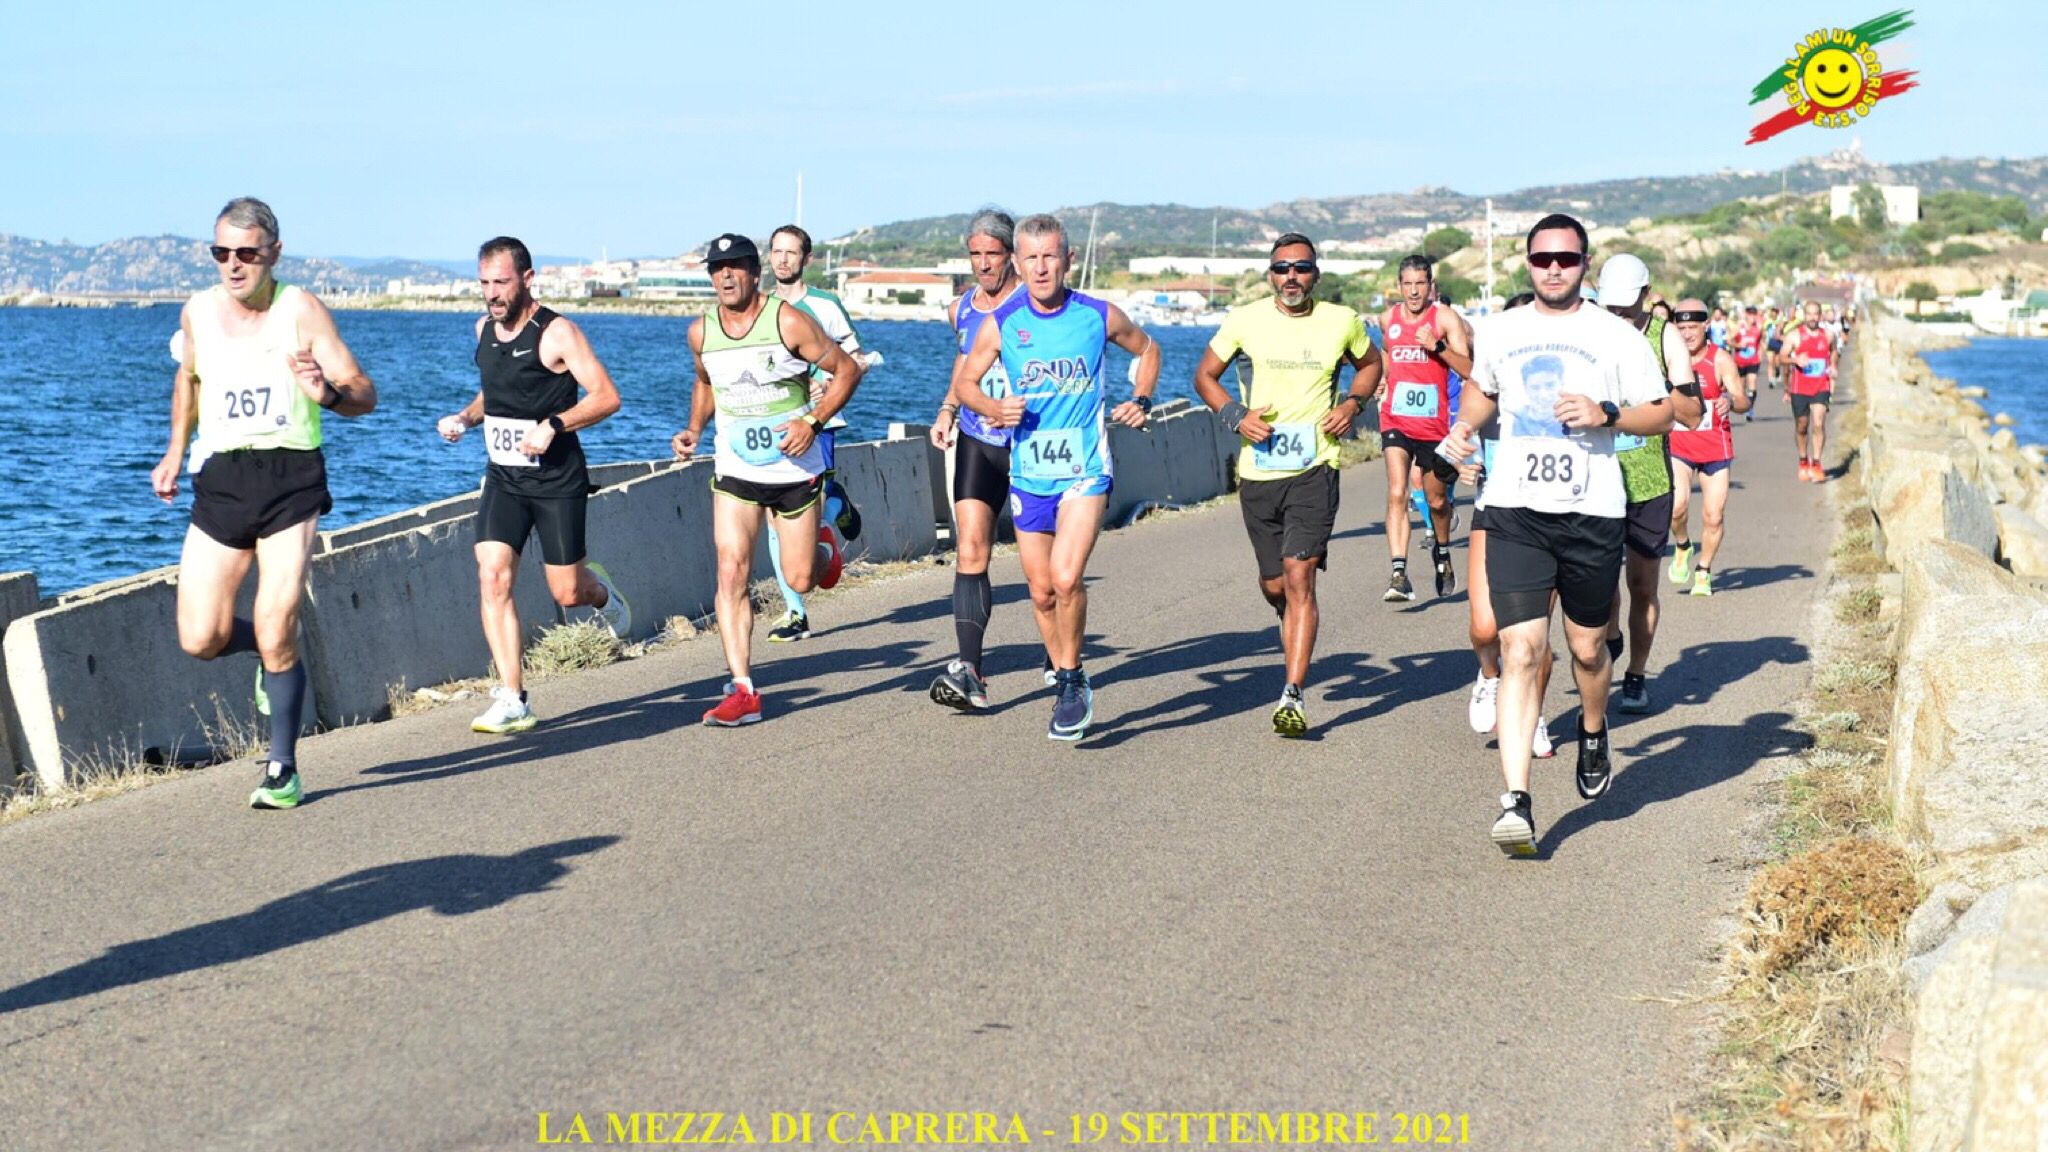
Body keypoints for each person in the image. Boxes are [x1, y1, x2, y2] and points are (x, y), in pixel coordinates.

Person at [1438, 213, 1674, 855]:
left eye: (1565, 259)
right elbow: (1484, 393)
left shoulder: (1614, 336)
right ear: (1527, 262)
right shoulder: (1501, 330)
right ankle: (1516, 802)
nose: (1553, 269)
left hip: (1592, 513)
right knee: (1520, 651)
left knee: (1589, 650)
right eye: (1542, 259)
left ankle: (1594, 728)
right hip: (1516, 510)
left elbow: (1662, 413)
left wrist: (1608, 414)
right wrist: (1465, 427)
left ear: (1584, 264)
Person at [149, 197, 378, 810]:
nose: (232, 264)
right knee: (200, 637)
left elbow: (365, 394)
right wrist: (174, 452)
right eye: (221, 252)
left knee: (280, 623)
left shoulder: (300, 310)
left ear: (273, 252)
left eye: (246, 253)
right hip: (222, 479)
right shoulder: (197, 311)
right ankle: (265, 654)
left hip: (290, 479)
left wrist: (324, 392)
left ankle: (282, 767)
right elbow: (188, 380)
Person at [952, 213, 1158, 741]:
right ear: (1018, 263)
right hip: (1029, 474)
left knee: (1067, 578)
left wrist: (1141, 398)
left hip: (1084, 472)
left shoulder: (1097, 314)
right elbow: (967, 383)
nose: (1042, 268)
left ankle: (1069, 681)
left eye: (1051, 257)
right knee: (1041, 593)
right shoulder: (1003, 322)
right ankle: (1071, 670)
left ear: (1067, 260)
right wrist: (994, 409)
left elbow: (1148, 348)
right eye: (1032, 258)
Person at [437, 236, 629, 735]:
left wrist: (555, 425)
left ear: (527, 279)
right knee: (492, 576)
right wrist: (465, 417)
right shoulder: (482, 329)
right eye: (484, 283)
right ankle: (512, 696)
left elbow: (607, 396)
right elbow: (496, 392)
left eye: (500, 282)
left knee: (567, 593)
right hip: (504, 479)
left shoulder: (558, 333)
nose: (491, 294)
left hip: (557, 480)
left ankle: (600, 593)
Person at [672, 233, 863, 726]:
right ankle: (744, 689)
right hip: (736, 469)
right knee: (731, 569)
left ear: (755, 273)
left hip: (794, 468)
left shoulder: (788, 321)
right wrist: (694, 428)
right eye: (717, 268)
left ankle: (823, 549)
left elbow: (846, 370)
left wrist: (813, 424)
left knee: (800, 578)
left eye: (736, 266)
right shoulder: (701, 332)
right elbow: (706, 380)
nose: (726, 275)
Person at [1193, 233, 1380, 736]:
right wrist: (1235, 415)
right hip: (1259, 471)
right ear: (1269, 275)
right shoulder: (1244, 320)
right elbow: (1205, 376)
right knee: (1274, 584)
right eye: (1281, 268)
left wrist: (1351, 405)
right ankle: (1288, 618)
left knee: (1301, 578)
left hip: (1316, 466)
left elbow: (1371, 364)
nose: (1290, 277)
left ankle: (1292, 694)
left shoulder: (1342, 321)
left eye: (1300, 267)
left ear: (1315, 273)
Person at [1596, 254, 1703, 716]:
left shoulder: (1665, 338)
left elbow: (1692, 415)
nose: (1618, 315)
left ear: (1647, 295)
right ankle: (1611, 637)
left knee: (1641, 585)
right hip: (1595, 479)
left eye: (1626, 306)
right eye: (1610, 306)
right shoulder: (1588, 332)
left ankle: (1636, 675)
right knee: (1598, 588)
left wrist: (1652, 388)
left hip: (1648, 481)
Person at [929, 211, 1027, 711]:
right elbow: (965, 363)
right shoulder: (960, 308)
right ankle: (970, 669)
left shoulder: (1030, 303)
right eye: (976, 254)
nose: (984, 264)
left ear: (1010, 254)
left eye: (993, 253)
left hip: (1030, 444)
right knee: (971, 550)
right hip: (976, 438)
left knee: (1045, 569)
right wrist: (949, 407)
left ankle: (1062, 657)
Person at [1459, 291, 1555, 760]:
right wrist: (1464, 464)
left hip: (1551, 517)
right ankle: (1489, 676)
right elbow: (1464, 439)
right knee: (1484, 627)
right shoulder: (1488, 391)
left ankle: (1531, 715)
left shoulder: (1557, 391)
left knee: (1534, 635)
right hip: (1493, 511)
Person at [764, 224, 866, 642]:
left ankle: (835, 505)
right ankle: (794, 611)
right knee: (775, 521)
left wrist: (827, 382)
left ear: (806, 259)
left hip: (818, 422)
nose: (783, 259)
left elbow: (855, 359)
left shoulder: (824, 305)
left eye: (791, 252)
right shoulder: (760, 306)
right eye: (776, 251)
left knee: (809, 510)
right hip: (772, 424)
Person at [1373, 255, 1474, 601]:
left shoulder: (1445, 319)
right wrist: (1381, 383)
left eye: (1421, 284)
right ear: (1398, 285)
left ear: (1430, 285)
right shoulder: (1389, 319)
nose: (1414, 292)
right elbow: (1387, 358)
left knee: (1436, 501)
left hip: (1434, 426)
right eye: (1408, 284)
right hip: (1395, 419)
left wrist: (1438, 347)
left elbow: (1469, 370)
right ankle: (1399, 573)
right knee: (1397, 490)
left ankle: (1443, 553)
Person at [1666, 298, 1750, 597]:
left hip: (1715, 447)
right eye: (1681, 327)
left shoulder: (1720, 359)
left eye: (1693, 327)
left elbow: (1743, 400)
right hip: (1679, 444)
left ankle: (1703, 569)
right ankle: (1682, 544)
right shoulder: (1669, 358)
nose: (1687, 334)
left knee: (1713, 515)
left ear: (1706, 326)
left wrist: (1731, 402)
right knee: (1677, 506)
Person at [1778, 300, 1839, 482]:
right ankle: (1804, 460)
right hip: (1800, 388)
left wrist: (1833, 365)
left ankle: (1818, 464)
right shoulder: (1794, 336)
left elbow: (1834, 351)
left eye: (1815, 314)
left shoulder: (1828, 335)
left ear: (1820, 316)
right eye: (1809, 314)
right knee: (1802, 426)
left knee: (1819, 423)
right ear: (1804, 316)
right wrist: (1795, 360)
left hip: (1821, 386)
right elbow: (1782, 357)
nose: (1812, 317)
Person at [1730, 306, 1763, 422]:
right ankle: (1744, 404)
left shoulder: (1758, 328)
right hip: (1740, 361)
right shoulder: (1740, 327)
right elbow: (1729, 340)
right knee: (1741, 387)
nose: (1752, 317)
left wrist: (1760, 353)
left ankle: (1750, 409)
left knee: (1752, 383)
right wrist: (1738, 345)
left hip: (1753, 360)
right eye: (1750, 315)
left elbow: (1760, 341)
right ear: (1746, 315)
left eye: (1754, 315)